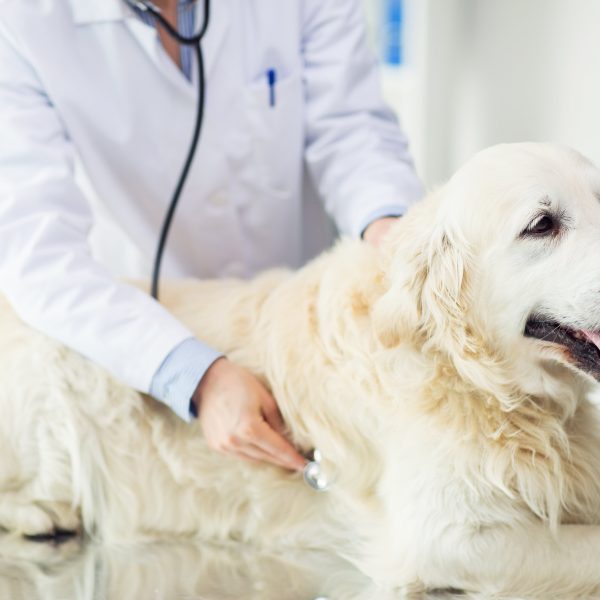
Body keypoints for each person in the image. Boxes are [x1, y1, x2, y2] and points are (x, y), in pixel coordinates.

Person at [0, 0, 423, 472]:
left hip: (292, 322)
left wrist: (395, 236)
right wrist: (194, 375)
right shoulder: (20, 20)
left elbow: (352, 130)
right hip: (142, 339)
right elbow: (36, 252)